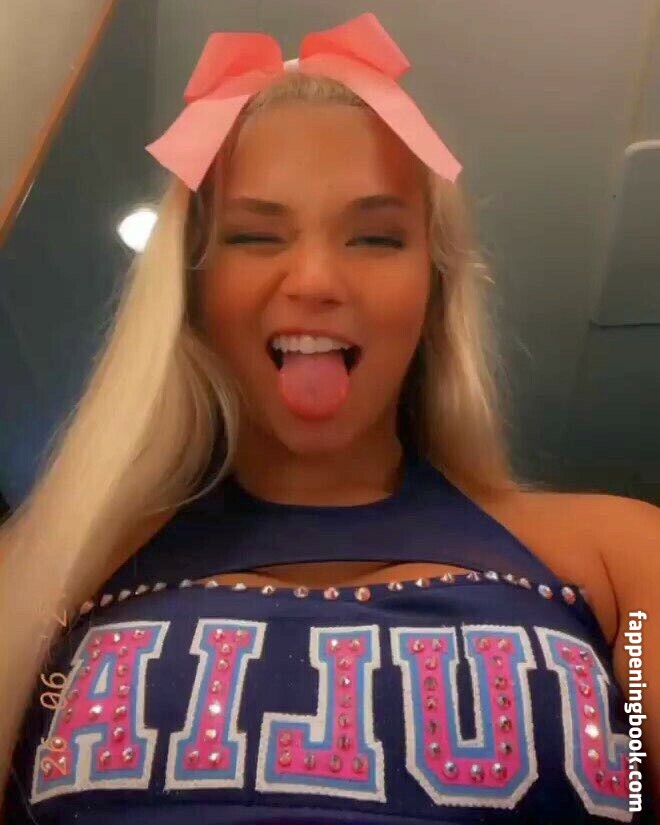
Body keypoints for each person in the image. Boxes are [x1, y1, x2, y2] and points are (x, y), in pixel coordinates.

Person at [1, 12, 658, 825]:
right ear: (194, 292)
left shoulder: (624, 563)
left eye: (376, 239)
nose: (313, 279)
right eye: (254, 236)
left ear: (434, 291)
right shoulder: (40, 573)